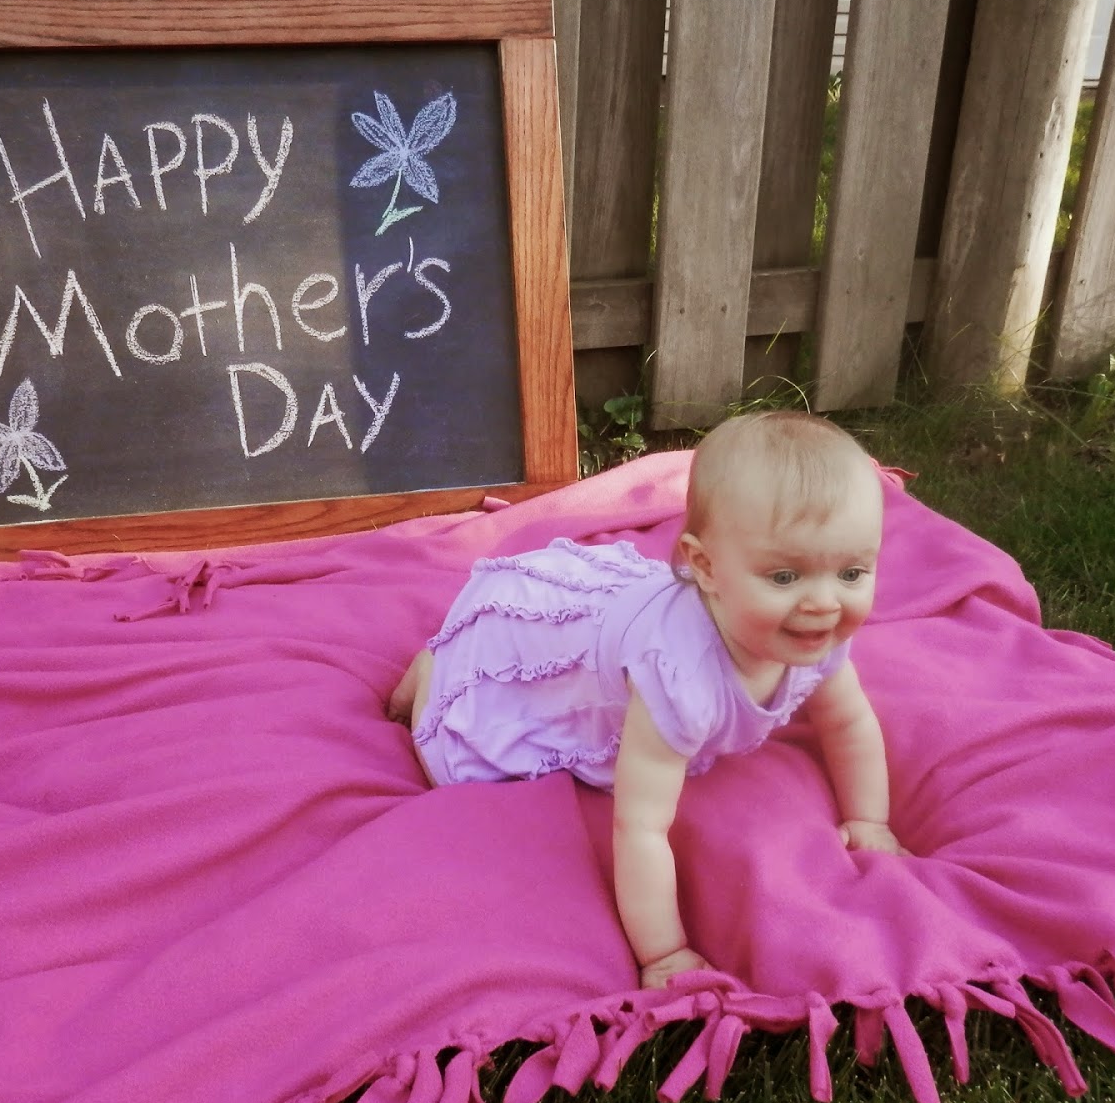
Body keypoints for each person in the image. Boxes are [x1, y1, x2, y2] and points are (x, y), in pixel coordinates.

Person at [387, 410, 907, 988]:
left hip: (621, 622)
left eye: (852, 573)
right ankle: (434, 667)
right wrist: (664, 952)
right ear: (705, 568)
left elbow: (849, 722)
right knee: (466, 724)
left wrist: (869, 820)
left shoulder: (816, 634)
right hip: (540, 651)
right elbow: (640, 827)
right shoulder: (680, 678)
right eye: (785, 577)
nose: (825, 602)